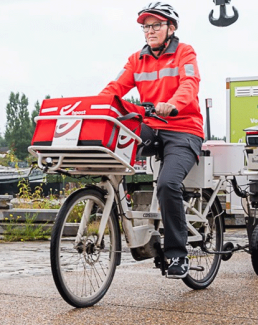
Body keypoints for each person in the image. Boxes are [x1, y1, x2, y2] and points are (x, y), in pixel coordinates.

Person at [99, 2, 204, 279]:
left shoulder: (185, 52)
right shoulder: (137, 59)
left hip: (183, 128)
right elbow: (116, 88)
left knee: (168, 184)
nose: (150, 31)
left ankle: (177, 254)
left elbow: (189, 85)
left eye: (156, 25)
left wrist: (172, 104)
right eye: (146, 26)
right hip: (151, 126)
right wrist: (96, 106)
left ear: (171, 28)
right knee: (112, 143)